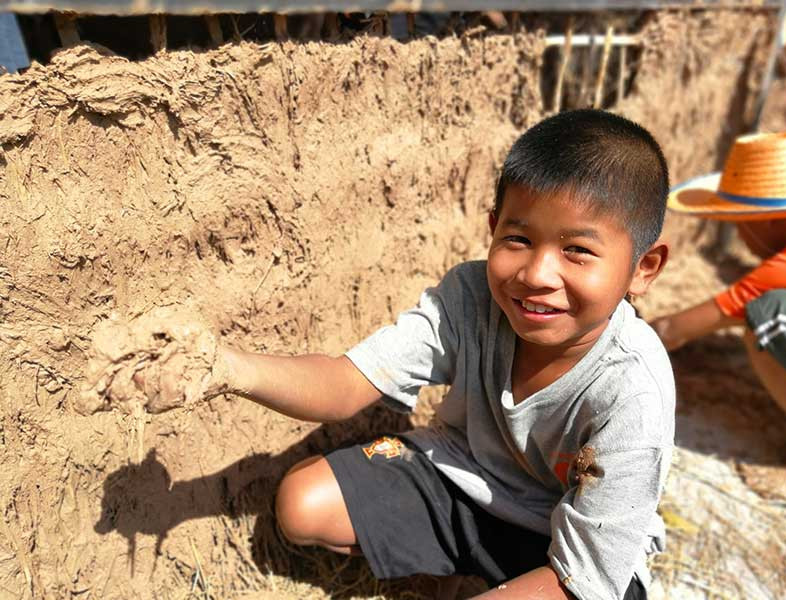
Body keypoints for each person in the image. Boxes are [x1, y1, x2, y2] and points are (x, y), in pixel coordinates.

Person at [137, 109, 675, 600]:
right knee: (302, 504)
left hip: (565, 544)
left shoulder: (632, 389)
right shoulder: (471, 297)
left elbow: (585, 580)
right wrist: (228, 367)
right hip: (459, 477)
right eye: (519, 239)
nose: (536, 275)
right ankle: (452, 563)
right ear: (492, 229)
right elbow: (347, 381)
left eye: (577, 251)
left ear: (643, 269)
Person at [650, 132, 786, 428]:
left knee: (767, 318)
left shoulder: (783, 269)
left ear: (766, 220)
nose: (742, 238)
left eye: (738, 224)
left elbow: (672, 331)